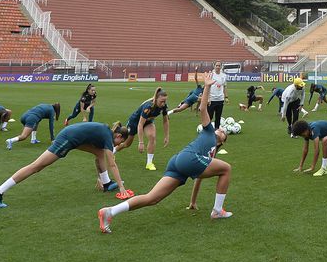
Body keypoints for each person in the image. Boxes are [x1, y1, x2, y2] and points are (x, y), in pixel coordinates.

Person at [97, 72, 233, 233]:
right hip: (187, 158)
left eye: (223, 132)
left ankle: (110, 211)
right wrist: (207, 87)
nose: (221, 130)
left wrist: (192, 202)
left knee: (152, 198)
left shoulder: (211, 156)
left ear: (222, 141)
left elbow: (198, 178)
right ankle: (217, 211)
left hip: (179, 164)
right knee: (227, 168)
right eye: (220, 129)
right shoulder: (209, 130)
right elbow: (203, 108)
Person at [0, 122, 131, 208]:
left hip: (73, 137)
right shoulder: (107, 136)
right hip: (68, 139)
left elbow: (99, 158)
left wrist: (99, 177)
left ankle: (106, 183)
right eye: (121, 142)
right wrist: (121, 186)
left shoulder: (106, 132)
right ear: (118, 136)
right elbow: (112, 164)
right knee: (36, 166)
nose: (119, 145)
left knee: (99, 153)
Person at [115, 88, 170, 171]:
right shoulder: (148, 107)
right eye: (161, 101)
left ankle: (149, 163)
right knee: (126, 144)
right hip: (135, 122)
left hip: (148, 122)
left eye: (165, 101)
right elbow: (140, 124)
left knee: (152, 136)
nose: (163, 104)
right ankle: (113, 151)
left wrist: (166, 136)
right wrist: (141, 142)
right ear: (156, 99)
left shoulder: (164, 107)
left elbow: (165, 121)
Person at [207, 61, 228, 129]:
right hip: (212, 99)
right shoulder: (211, 75)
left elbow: (224, 86)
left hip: (220, 99)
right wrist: (208, 98)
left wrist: (226, 97)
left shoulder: (224, 76)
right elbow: (207, 87)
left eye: (219, 65)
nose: (218, 67)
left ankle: (216, 130)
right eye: (216, 65)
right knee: (209, 116)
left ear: (221, 67)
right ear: (214, 66)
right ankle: (208, 131)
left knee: (218, 117)